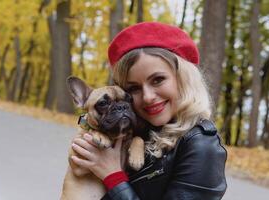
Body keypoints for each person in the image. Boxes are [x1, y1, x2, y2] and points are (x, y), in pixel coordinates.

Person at [70, 22, 227, 200]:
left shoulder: (201, 146)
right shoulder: (139, 130)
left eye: (158, 80)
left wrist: (113, 177)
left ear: (184, 78)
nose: (147, 97)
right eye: (134, 88)